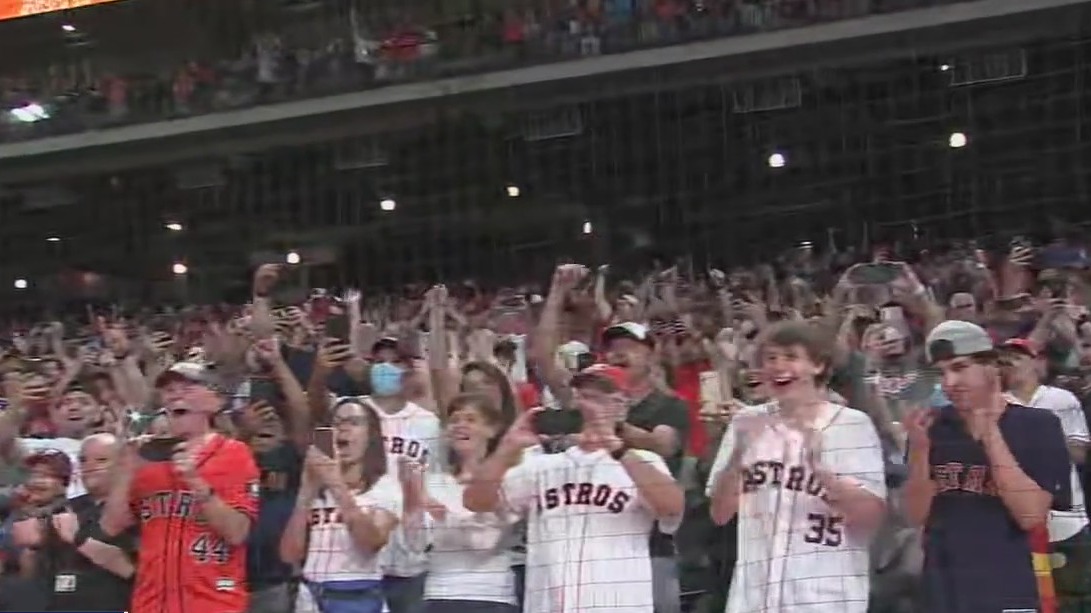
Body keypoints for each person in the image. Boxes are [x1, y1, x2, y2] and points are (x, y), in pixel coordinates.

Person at [464, 365, 685, 613]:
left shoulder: (643, 462)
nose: (590, 406)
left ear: (622, 406)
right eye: (584, 396)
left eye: (600, 398)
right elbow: (476, 502)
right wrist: (505, 451)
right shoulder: (540, 461)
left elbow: (672, 507)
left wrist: (618, 448)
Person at [705, 321, 887, 613]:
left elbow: (870, 518)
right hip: (754, 597)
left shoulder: (853, 425)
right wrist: (741, 452)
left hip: (825, 597)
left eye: (791, 357)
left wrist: (821, 470)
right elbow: (720, 513)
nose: (778, 366)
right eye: (771, 358)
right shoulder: (746, 422)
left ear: (817, 365)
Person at [904, 320, 1072, 613]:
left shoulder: (1038, 425)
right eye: (941, 373)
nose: (949, 383)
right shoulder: (931, 427)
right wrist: (919, 450)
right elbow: (915, 515)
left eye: (960, 367)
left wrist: (991, 435)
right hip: (942, 588)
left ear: (992, 366)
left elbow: (1031, 515)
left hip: (1010, 585)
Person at [100, 361, 260, 613]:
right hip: (151, 603)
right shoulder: (144, 458)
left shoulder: (234, 454)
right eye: (169, 389)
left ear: (215, 401)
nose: (175, 393)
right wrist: (125, 467)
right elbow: (111, 525)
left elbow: (237, 532)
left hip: (213, 603)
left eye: (188, 387)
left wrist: (196, 482)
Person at [279, 398, 401, 613]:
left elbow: (371, 543)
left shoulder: (385, 487)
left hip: (358, 594)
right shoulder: (315, 490)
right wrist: (306, 492)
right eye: (337, 423)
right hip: (311, 596)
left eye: (353, 422)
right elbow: (289, 555)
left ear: (370, 436)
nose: (343, 428)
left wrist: (337, 485)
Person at [403, 393, 518, 613]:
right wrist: (411, 499)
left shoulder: (506, 479)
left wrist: (434, 508)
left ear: (491, 430)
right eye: (454, 420)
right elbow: (415, 544)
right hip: (439, 594)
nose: (460, 426)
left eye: (470, 419)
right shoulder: (434, 482)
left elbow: (484, 543)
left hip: (491, 597)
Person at [1000, 337, 1091, 612]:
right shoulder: (997, 405)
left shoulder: (1060, 399)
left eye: (1018, 356)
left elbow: (1079, 452)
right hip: (1015, 523)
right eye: (1004, 359)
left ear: (1037, 362)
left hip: (1066, 518)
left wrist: (1037, 434)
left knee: (1074, 599)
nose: (1010, 363)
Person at [25, 433, 136, 611]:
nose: (89, 467)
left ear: (122, 464)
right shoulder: (63, 509)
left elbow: (130, 569)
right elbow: (42, 573)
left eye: (101, 460)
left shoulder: (136, 508)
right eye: (83, 460)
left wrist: (78, 539)